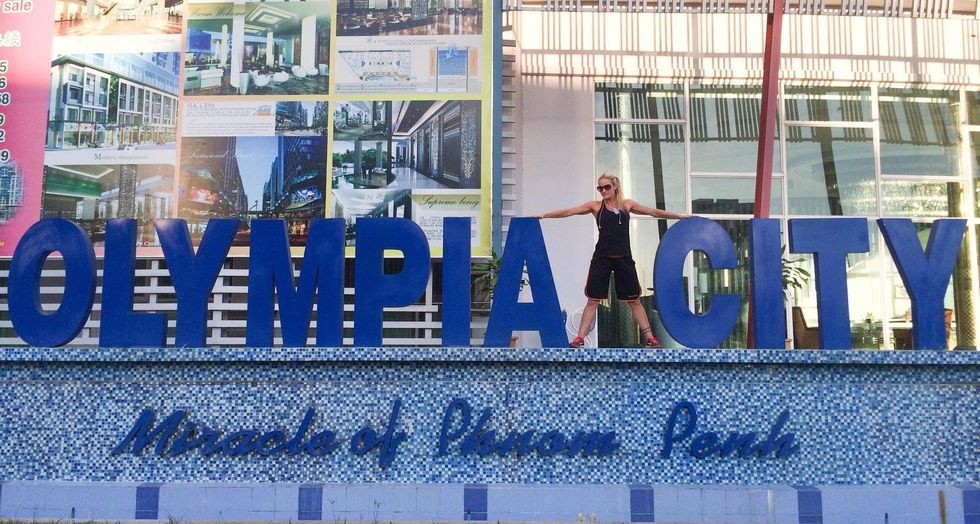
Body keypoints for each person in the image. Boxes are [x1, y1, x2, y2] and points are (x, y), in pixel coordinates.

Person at [536, 173, 692, 348]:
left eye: (606, 187)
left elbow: (653, 212)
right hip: (602, 259)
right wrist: (545, 215)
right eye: (600, 188)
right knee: (593, 300)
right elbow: (569, 211)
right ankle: (579, 338)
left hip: (623, 259)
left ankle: (650, 338)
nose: (603, 191)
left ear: (615, 186)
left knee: (634, 300)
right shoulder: (596, 207)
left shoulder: (627, 205)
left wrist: (679, 216)